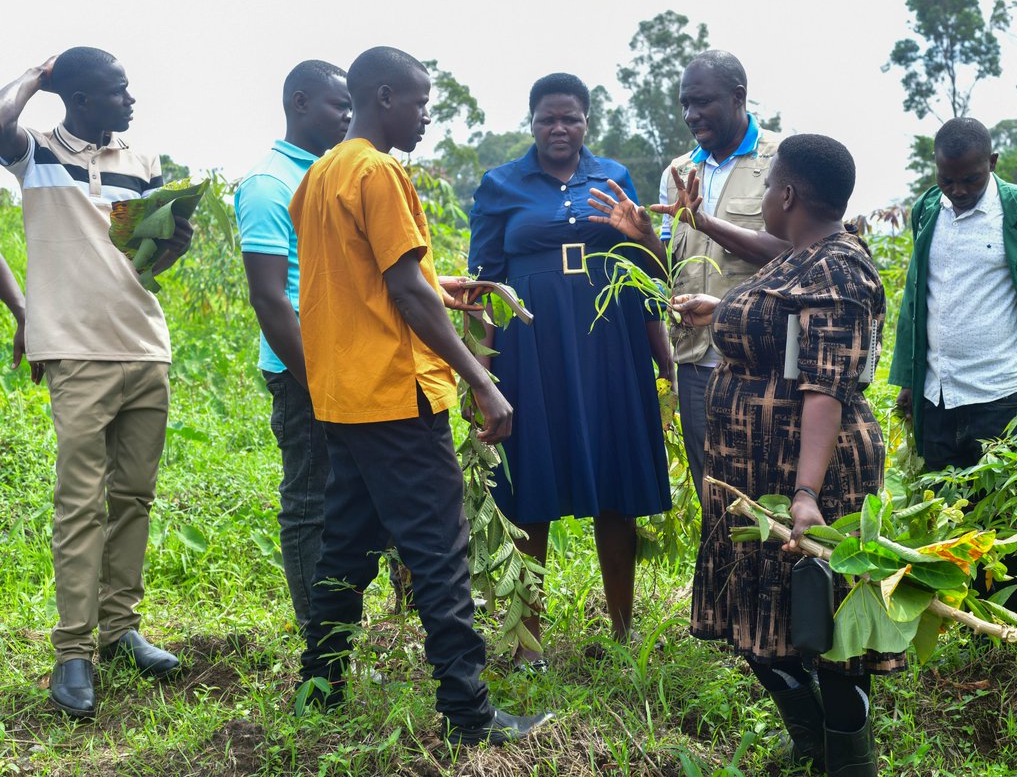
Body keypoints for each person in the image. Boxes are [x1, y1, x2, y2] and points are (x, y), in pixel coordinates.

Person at [289, 45, 551, 745]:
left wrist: (443, 289)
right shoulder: (378, 172)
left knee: (345, 547)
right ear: (383, 96)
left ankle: (320, 684)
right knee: (440, 549)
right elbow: (402, 291)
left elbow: (376, 278)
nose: (427, 115)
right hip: (396, 395)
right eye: (421, 102)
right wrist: (481, 378)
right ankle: (468, 713)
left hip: (344, 394)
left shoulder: (320, 176)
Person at [670, 135, 892, 776]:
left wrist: (805, 495)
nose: (765, 198)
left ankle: (847, 762)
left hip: (806, 475)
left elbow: (827, 388)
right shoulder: (803, 256)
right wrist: (726, 311)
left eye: (768, 187)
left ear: (787, 194)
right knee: (767, 625)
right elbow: (783, 329)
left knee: (825, 631)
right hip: (755, 472)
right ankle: (811, 748)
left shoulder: (839, 269)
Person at [0, 48, 193, 718]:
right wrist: (35, 74)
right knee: (79, 504)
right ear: (79, 100)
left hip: (144, 346)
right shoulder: (36, 153)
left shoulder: (140, 164)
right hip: (77, 355)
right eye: (116, 92)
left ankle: (119, 631)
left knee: (133, 497)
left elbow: (139, 258)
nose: (130, 100)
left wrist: (173, 241)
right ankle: (73, 652)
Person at [467, 72, 672, 670]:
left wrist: (660, 353)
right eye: (547, 119)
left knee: (617, 483)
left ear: (587, 121)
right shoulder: (501, 184)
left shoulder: (613, 178)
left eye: (571, 119)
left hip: (609, 340)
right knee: (530, 481)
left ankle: (622, 630)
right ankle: (529, 642)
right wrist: (483, 373)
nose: (560, 128)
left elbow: (644, 269)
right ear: (531, 123)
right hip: (533, 346)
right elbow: (482, 286)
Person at [889, 117, 1017, 613]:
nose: (958, 190)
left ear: (992, 165)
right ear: (935, 170)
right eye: (948, 179)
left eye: (971, 180)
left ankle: (1013, 629)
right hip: (939, 395)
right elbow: (919, 297)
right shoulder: (927, 211)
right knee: (948, 513)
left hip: (1005, 394)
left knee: (1006, 524)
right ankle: (963, 623)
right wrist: (910, 381)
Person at [589, 50, 788, 504]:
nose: (690, 115)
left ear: (738, 97)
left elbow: (798, 255)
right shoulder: (679, 172)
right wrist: (644, 239)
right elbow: (670, 274)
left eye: (702, 102)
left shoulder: (781, 160)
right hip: (697, 361)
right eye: (684, 104)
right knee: (713, 493)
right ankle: (722, 578)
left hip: (765, 359)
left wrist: (706, 223)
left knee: (769, 492)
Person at [236, 60, 352, 633]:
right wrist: (316, 378)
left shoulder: (331, 172)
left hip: (346, 366)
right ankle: (321, 646)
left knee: (351, 504)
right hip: (303, 367)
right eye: (339, 105)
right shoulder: (269, 184)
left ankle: (341, 636)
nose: (349, 117)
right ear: (300, 103)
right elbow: (269, 298)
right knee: (311, 505)